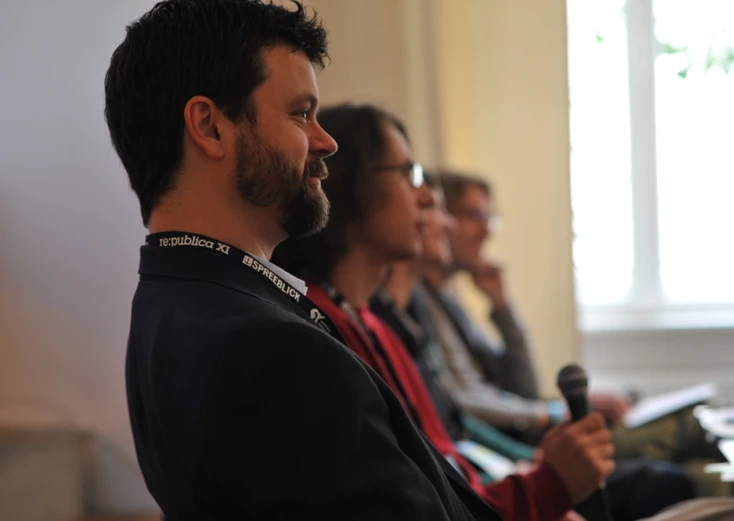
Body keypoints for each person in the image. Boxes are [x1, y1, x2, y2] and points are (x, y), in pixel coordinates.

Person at [106, 2, 511, 519]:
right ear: (209, 127)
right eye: (301, 113)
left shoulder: (172, 297)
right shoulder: (271, 350)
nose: (326, 141)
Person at [272, 103, 618, 521]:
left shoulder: (374, 328)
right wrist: (548, 485)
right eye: (407, 174)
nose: (426, 199)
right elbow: (431, 508)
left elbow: (452, 477)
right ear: (353, 191)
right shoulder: (324, 338)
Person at [372, 176, 698, 521]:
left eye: (488, 217)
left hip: (510, 455)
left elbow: (516, 385)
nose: (483, 230)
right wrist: (545, 429)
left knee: (678, 454)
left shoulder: (446, 301)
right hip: (506, 458)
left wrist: (502, 306)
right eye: (471, 215)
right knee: (666, 475)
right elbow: (461, 412)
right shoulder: (408, 310)